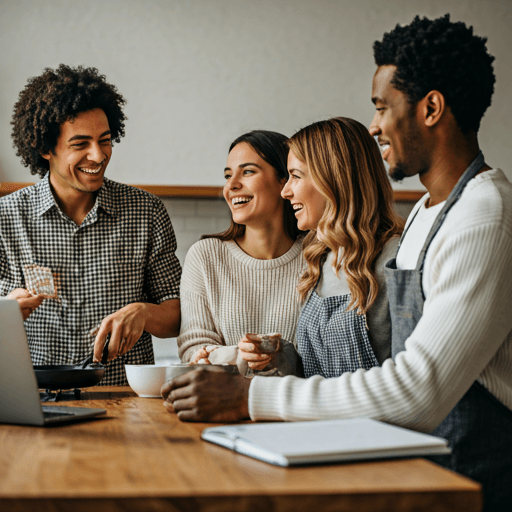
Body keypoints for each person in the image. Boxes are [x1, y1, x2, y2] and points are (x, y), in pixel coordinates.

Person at [162, 15, 512, 511]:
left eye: (382, 108)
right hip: (408, 467)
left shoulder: (484, 216)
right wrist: (283, 360)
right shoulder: (427, 218)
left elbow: (417, 389)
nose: (374, 126)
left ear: (431, 108)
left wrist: (247, 397)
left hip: (465, 481)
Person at [0, 64, 181, 385]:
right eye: (80, 143)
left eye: (105, 140)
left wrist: (143, 312)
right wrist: (7, 310)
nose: (97, 156)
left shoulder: (146, 212)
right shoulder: (6, 217)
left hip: (125, 402)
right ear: (45, 148)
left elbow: (178, 315)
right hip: (36, 397)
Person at [236, 118, 402, 378]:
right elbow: (316, 372)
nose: (285, 192)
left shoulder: (396, 260)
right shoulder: (321, 258)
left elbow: (410, 379)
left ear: (333, 180)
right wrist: (280, 356)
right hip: (319, 418)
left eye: (295, 176)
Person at [177, 131, 304, 375]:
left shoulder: (318, 254)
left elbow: (322, 355)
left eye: (247, 172)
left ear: (284, 180)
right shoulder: (205, 256)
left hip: (296, 406)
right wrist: (241, 354)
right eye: (228, 175)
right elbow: (194, 348)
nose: (231, 185)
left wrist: (229, 355)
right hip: (222, 404)